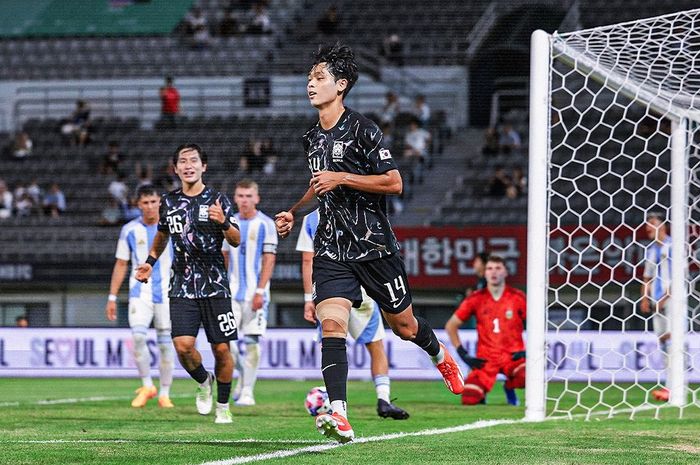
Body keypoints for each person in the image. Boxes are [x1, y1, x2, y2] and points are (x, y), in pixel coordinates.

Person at [275, 43, 464, 443]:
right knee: (332, 325)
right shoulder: (311, 137)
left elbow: (393, 182)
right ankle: (339, 414)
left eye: (319, 77)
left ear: (340, 86)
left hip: (374, 246)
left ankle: (440, 357)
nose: (311, 84)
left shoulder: (363, 129)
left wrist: (342, 177)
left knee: (404, 326)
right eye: (310, 78)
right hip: (331, 248)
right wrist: (295, 212)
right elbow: (317, 189)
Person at [135, 143, 241, 424]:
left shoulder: (218, 199)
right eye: (183, 161)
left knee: (222, 350)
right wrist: (150, 261)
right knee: (182, 346)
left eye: (193, 160)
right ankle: (204, 381)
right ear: (176, 168)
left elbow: (236, 239)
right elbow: (162, 234)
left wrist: (224, 223)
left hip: (216, 286)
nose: (188, 165)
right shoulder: (167, 201)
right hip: (181, 285)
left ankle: (222, 406)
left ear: (203, 166)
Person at [297, 209, 409, 420]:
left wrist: (308, 298)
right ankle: (383, 398)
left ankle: (335, 402)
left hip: (330, 291)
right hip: (362, 289)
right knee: (376, 346)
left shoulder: (311, 219)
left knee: (331, 344)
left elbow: (307, 261)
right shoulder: (360, 211)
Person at [105, 185, 175, 408]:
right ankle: (147, 385)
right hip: (139, 292)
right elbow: (121, 263)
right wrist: (112, 297)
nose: (150, 207)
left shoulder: (171, 228)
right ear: (138, 205)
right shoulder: (129, 230)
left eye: (154, 202)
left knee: (165, 345)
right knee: (137, 337)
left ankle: (164, 393)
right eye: (145, 203)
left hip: (167, 292)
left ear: (160, 203)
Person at [221, 179, 277, 407]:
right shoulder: (228, 222)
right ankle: (243, 378)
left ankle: (247, 391)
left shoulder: (266, 224)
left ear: (257, 198)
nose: (244, 200)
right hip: (231, 294)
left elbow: (269, 259)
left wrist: (260, 291)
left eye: (248, 196)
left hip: (256, 293)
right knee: (226, 342)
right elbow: (224, 257)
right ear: (235, 198)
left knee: (252, 341)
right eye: (241, 196)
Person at [445, 255, 526, 406]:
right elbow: (451, 326)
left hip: (513, 357)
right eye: (489, 268)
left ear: (506, 272)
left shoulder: (518, 297)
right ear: (484, 273)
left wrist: (528, 351)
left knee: (527, 375)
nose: (493, 272)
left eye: (498, 268)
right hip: (486, 359)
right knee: (469, 397)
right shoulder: (476, 299)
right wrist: (463, 354)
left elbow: (537, 322)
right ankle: (480, 394)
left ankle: (509, 387)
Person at [639, 211, 672, 402]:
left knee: (672, 339)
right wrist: (645, 298)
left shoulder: (675, 247)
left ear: (663, 226)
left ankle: (675, 386)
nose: (648, 228)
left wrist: (666, 297)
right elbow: (647, 277)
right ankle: (670, 386)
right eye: (647, 224)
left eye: (652, 223)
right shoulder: (651, 250)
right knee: (663, 343)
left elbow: (680, 277)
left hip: (673, 301)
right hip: (656, 302)